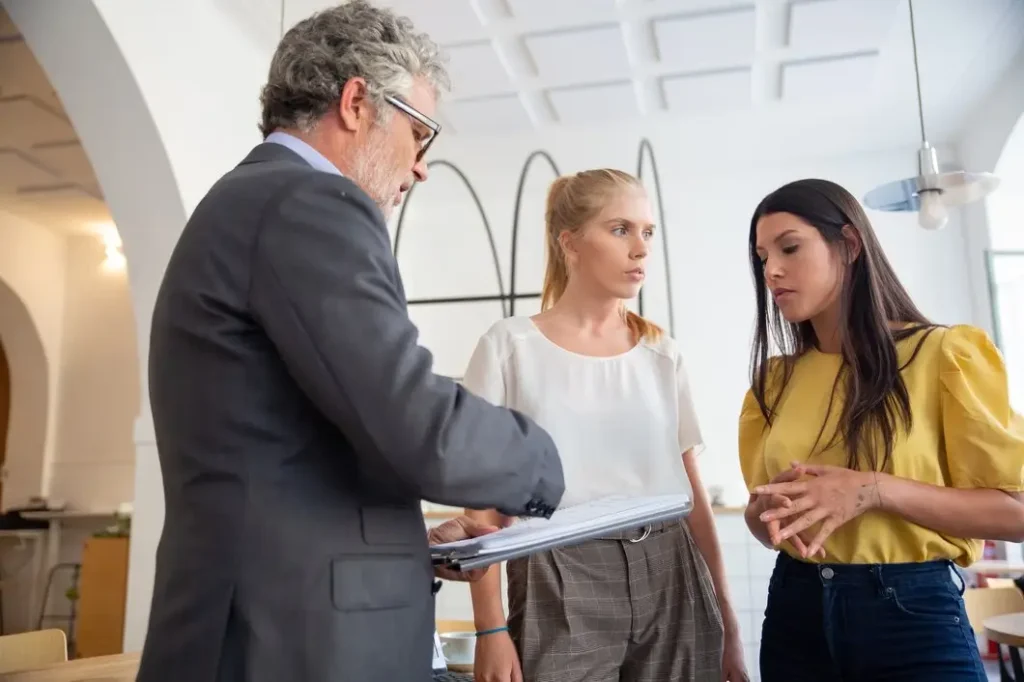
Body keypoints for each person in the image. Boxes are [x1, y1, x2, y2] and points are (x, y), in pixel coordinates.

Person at [138, 4, 565, 682]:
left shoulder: (252, 202)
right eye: (420, 133)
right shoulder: (310, 202)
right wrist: (546, 458)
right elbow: (419, 425)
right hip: (289, 644)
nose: (421, 166)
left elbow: (290, 455)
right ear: (358, 101)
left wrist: (406, 544)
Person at [461, 169, 746, 682]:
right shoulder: (509, 347)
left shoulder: (663, 354)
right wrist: (490, 628)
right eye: (620, 229)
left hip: (673, 567)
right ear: (569, 242)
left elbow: (692, 496)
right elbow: (481, 499)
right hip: (556, 568)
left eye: (648, 232)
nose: (641, 249)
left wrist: (728, 619)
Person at [739, 178, 1024, 681]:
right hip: (793, 610)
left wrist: (874, 490)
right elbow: (761, 528)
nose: (772, 271)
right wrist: (766, 515)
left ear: (849, 245)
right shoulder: (776, 381)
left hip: (910, 613)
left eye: (789, 247)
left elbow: (1016, 513)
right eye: (762, 257)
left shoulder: (943, 356)